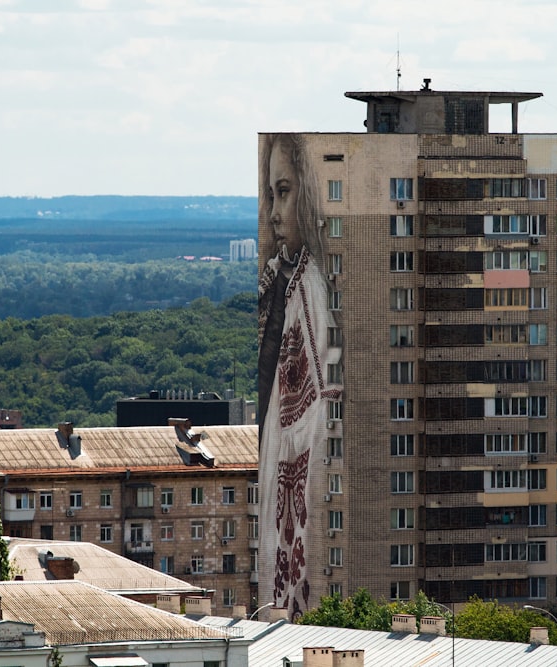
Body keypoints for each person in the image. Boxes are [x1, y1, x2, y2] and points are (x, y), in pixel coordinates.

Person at [257, 133, 340, 619]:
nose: (273, 211)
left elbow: (312, 415)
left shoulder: (310, 288)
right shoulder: (288, 282)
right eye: (270, 195)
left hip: (303, 497)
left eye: (283, 193)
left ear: (308, 195)